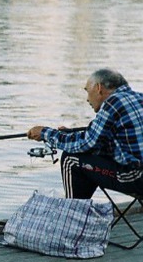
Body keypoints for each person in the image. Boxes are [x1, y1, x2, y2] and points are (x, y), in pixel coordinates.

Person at [27, 68, 143, 199]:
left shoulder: (113, 102)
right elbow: (99, 139)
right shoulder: (139, 97)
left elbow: (88, 143)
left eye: (87, 91)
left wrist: (44, 133)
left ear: (99, 88)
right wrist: (67, 136)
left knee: (71, 158)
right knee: (83, 154)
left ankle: (72, 215)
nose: (87, 99)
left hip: (136, 177)